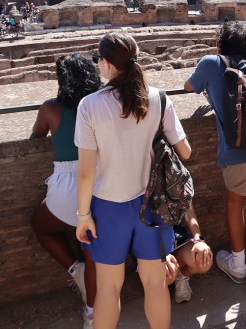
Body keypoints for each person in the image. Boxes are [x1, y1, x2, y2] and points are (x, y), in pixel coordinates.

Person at [75, 32, 191, 329]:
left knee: (108, 288)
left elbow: (86, 171)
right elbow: (186, 152)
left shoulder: (89, 105)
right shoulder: (158, 98)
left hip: (108, 208)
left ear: (105, 63)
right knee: (155, 284)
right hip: (151, 205)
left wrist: (83, 216)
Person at [185, 22, 246, 298]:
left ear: (219, 46)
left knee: (235, 204)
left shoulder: (210, 62)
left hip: (237, 153)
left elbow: (187, 86)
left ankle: (238, 264)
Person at [30, 54, 101, 327]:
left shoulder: (50, 108)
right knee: (92, 250)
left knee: (40, 225)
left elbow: (36, 137)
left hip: (67, 187)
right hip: (100, 182)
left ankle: (75, 270)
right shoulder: (102, 104)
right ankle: (92, 315)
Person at [162, 203, 212, 304]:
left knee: (203, 258)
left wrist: (199, 241)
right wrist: (159, 254)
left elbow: (188, 207)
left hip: (177, 238)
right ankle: (159, 289)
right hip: (152, 246)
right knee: (167, 273)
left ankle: (182, 275)